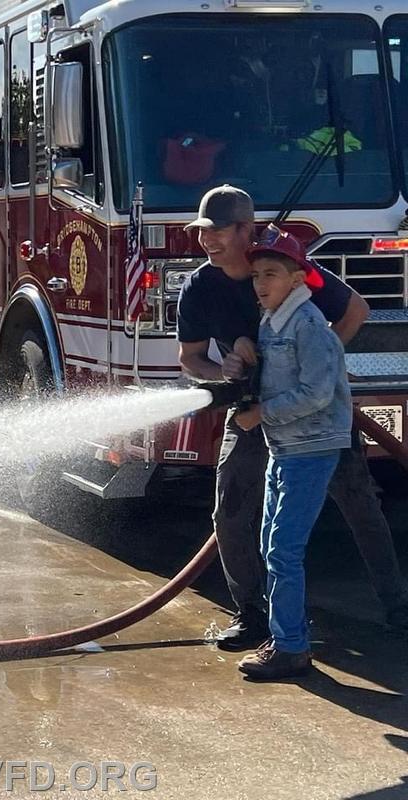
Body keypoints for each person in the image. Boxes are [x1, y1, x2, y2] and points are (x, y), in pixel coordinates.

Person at [176, 184, 408, 651]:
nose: (208, 241)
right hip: (250, 414)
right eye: (203, 232)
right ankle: (253, 618)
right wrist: (226, 369)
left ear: (247, 228)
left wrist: (311, 367)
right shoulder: (201, 286)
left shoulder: (283, 267)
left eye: (218, 231)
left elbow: (356, 310)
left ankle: (397, 608)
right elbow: (191, 358)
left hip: (314, 419)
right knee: (232, 511)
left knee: (359, 504)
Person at [233, 229, 351, 679]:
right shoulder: (271, 321)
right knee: (271, 544)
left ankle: (291, 649)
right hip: (285, 448)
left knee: (283, 549)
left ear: (298, 278)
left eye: (272, 274)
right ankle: (285, 636)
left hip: (312, 448)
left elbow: (318, 394)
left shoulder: (308, 326)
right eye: (257, 275)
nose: (261, 283)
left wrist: (262, 413)